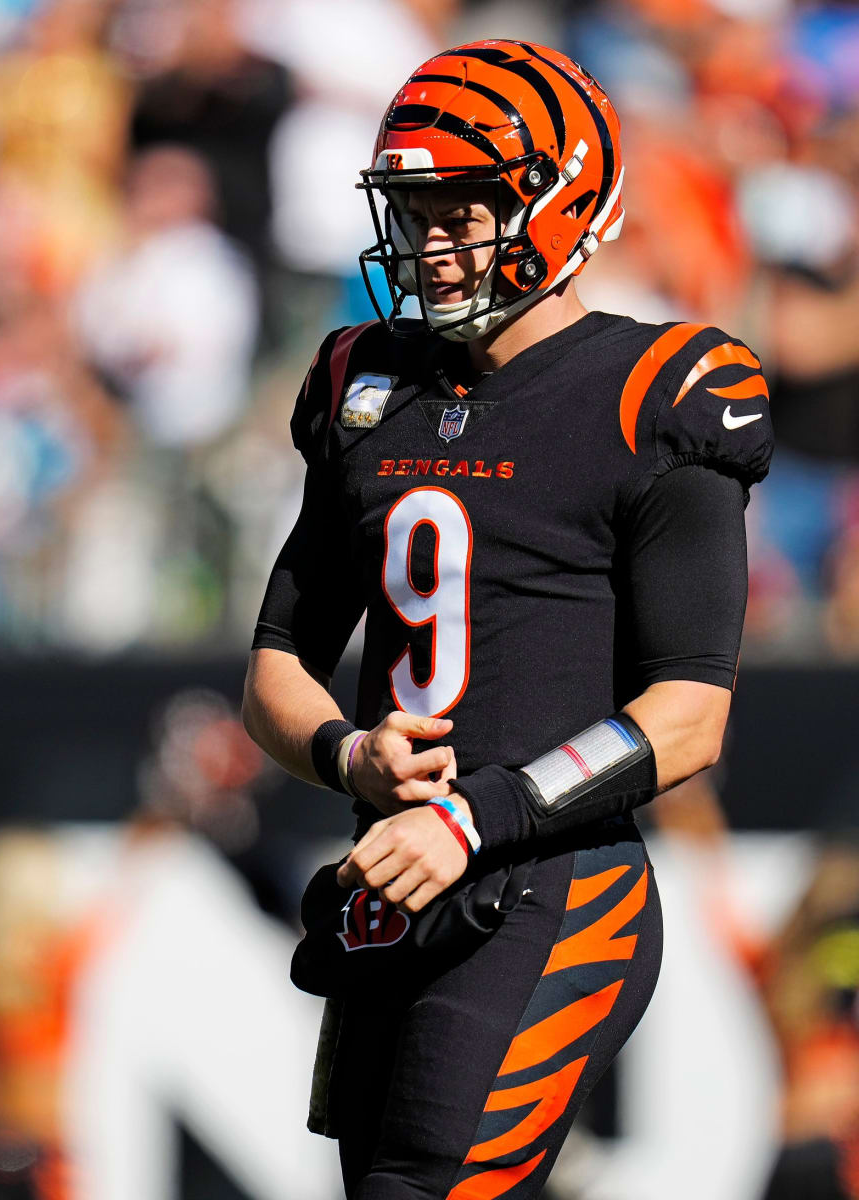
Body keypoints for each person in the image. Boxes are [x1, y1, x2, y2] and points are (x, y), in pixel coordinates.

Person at [242, 39, 773, 1200]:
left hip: (554, 885)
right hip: (397, 884)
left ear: (559, 197)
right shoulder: (362, 382)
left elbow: (687, 717)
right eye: (414, 210)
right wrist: (349, 753)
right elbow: (276, 664)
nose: (431, 243)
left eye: (463, 210)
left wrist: (475, 819)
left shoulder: (659, 388)